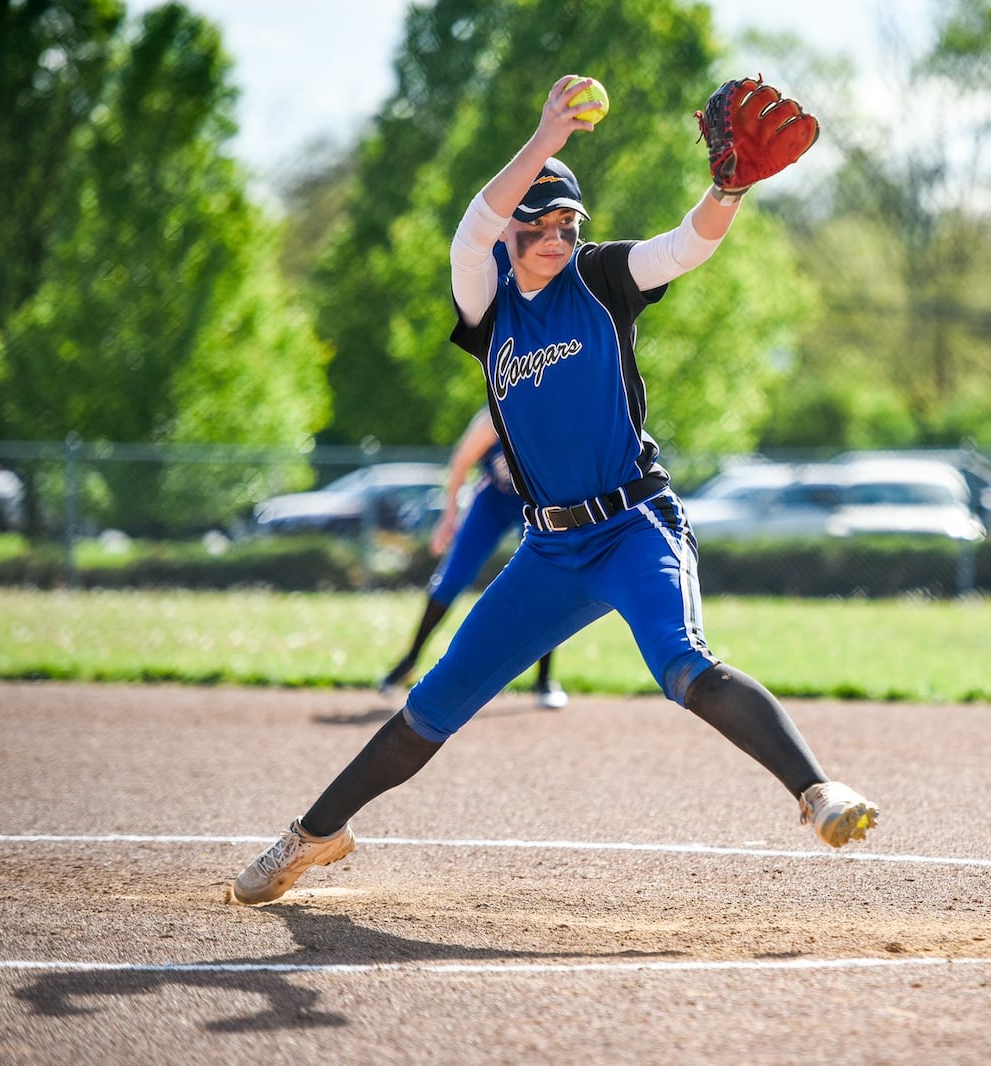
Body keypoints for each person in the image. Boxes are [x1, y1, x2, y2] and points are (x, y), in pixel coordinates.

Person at [231, 75, 878, 905]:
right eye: (537, 220)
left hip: (636, 524)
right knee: (431, 709)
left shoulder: (603, 281)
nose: (555, 233)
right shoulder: (489, 309)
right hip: (550, 548)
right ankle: (312, 836)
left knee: (686, 666)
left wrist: (727, 189)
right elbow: (471, 231)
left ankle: (818, 790)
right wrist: (543, 141)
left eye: (567, 220)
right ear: (513, 233)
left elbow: (686, 245)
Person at [378, 405, 565, 711]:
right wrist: (448, 519)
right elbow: (461, 462)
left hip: (534, 501)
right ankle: (409, 660)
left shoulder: (548, 413)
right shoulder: (493, 417)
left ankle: (544, 680)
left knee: (548, 583)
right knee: (451, 579)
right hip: (492, 500)